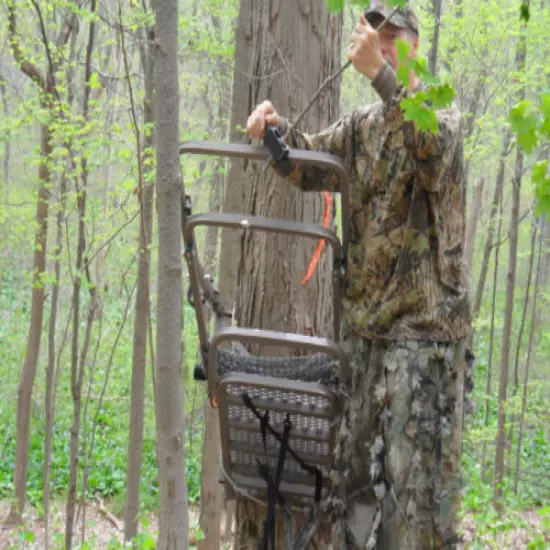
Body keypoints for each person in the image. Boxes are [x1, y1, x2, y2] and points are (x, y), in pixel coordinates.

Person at [247, 2, 473, 549]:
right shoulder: (361, 128)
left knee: (416, 508)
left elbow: (432, 151)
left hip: (423, 342)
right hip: (364, 340)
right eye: (375, 33)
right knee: (354, 502)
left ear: (415, 45)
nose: (382, 41)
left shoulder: (439, 112)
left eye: (394, 34)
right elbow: (308, 163)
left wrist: (382, 75)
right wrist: (273, 134)